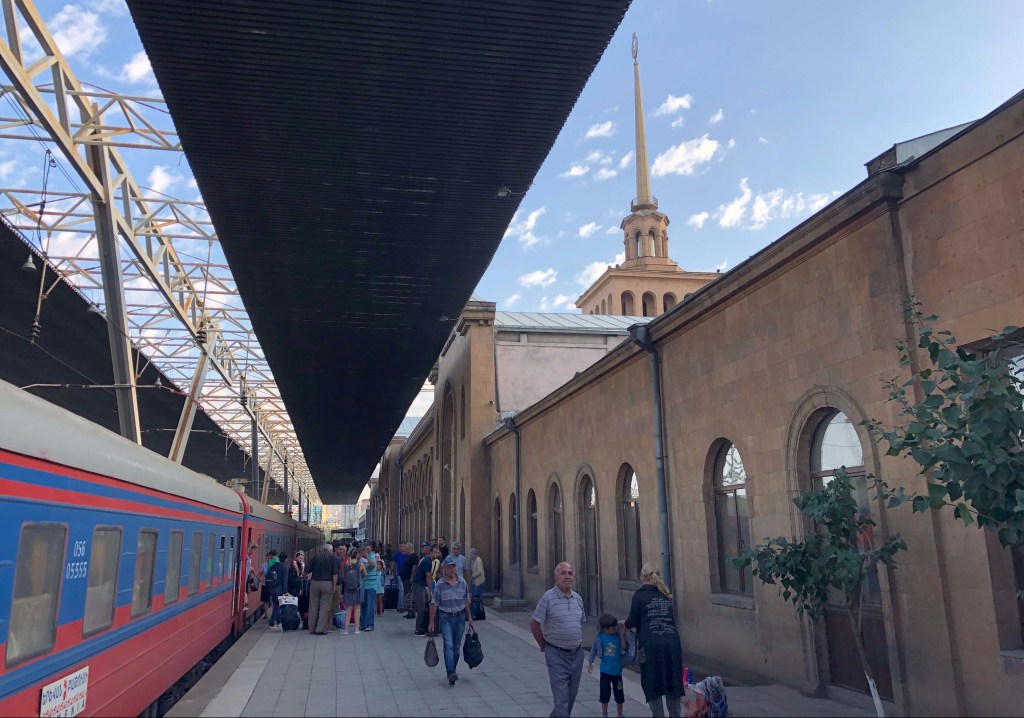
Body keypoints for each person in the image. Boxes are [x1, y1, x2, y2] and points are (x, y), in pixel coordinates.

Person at [625, 563, 684, 718]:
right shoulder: (665, 594)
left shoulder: (639, 595)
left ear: (642, 577)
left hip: (651, 645)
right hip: (672, 643)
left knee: (653, 682)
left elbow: (632, 620)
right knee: (672, 682)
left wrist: (622, 626)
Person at [530, 562, 586, 718]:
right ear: (556, 576)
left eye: (570, 573)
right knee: (561, 700)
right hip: (556, 654)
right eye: (563, 573)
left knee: (570, 697)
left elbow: (579, 623)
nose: (567, 576)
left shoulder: (578, 599)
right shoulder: (548, 598)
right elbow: (534, 623)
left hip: (577, 654)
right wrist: (543, 645)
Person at [429, 555, 475, 686]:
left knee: (456, 647)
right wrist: (431, 622)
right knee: (448, 645)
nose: (451, 570)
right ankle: (450, 672)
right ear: (444, 569)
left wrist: (470, 617)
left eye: (453, 567)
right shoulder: (440, 585)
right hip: (446, 617)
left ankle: (452, 669)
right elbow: (434, 604)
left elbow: (466, 601)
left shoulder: (462, 582)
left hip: (460, 617)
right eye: (449, 567)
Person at [587, 613, 626, 718]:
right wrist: (590, 663)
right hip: (605, 672)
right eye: (612, 628)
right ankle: (604, 713)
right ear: (605, 629)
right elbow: (593, 650)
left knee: (619, 694)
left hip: (617, 672)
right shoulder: (600, 637)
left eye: (615, 627)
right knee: (604, 694)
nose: (614, 629)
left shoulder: (618, 636)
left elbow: (624, 647)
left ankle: (620, 714)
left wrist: (622, 635)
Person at [307, 544, 337, 635]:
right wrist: (334, 586)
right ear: (330, 550)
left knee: (313, 606)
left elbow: (307, 570)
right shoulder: (332, 557)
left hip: (315, 582)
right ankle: (320, 629)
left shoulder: (316, 556)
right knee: (324, 606)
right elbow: (334, 573)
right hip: (327, 583)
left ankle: (311, 628)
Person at [341, 547, 364, 635]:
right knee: (357, 608)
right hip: (358, 588)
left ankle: (346, 630)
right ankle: (356, 629)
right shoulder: (360, 564)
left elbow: (343, 577)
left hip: (348, 588)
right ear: (357, 555)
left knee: (348, 608)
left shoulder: (345, 564)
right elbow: (365, 575)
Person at [412, 542, 433, 636]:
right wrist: (430, 591)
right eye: (435, 552)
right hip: (418, 585)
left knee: (424, 605)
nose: (437, 554)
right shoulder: (427, 561)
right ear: (430, 552)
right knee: (422, 607)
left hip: (420, 584)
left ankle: (423, 626)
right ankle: (418, 629)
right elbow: (428, 576)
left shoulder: (426, 560)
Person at [267, 553, 289, 628]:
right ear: (285, 559)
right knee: (277, 606)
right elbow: (284, 580)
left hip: (272, 589)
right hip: (279, 589)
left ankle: (279, 622)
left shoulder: (273, 566)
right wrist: (285, 591)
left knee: (276, 605)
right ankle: (271, 623)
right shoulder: (285, 568)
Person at [361, 543, 379, 631]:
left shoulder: (372, 557)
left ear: (371, 550)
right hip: (363, 583)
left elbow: (373, 565)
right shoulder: (361, 558)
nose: (367, 551)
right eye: (365, 549)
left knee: (370, 604)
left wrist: (367, 557)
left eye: (368, 549)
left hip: (371, 584)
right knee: (362, 604)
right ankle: (362, 624)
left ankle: (370, 624)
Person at [400, 543, 418, 618]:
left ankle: (412, 613)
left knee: (409, 595)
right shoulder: (408, 556)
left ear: (410, 548)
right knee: (406, 595)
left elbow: (414, 567)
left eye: (406, 548)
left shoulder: (414, 556)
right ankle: (409, 612)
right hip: (405, 578)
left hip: (408, 579)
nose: (405, 549)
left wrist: (412, 577)